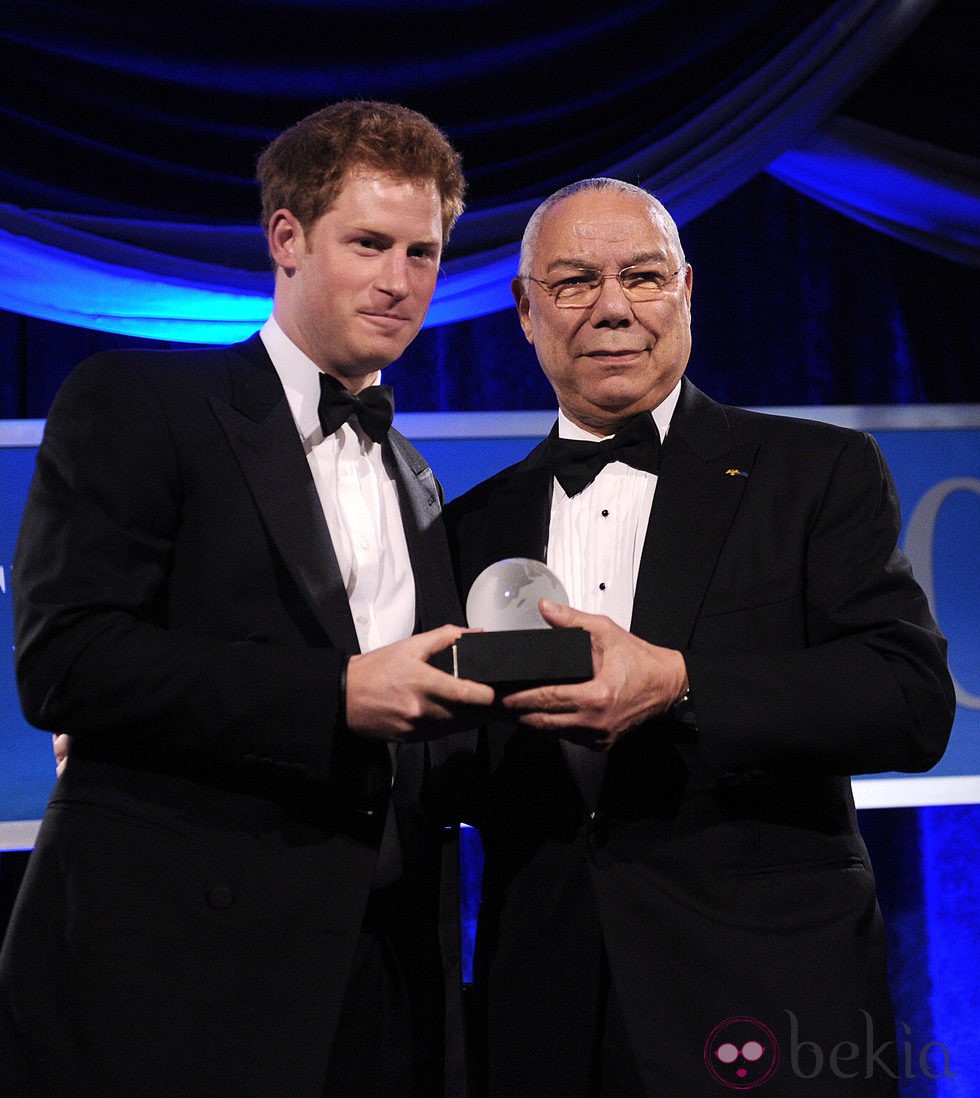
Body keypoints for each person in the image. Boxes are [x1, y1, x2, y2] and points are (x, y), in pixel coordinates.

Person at [0, 100, 494, 1098]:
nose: (400, 282)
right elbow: (68, 660)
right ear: (286, 238)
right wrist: (334, 696)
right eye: (368, 243)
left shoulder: (414, 473)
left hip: (378, 978)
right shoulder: (138, 402)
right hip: (174, 979)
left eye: (423, 253)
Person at [444, 178, 955, 1097]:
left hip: (766, 999)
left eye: (641, 275)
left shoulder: (813, 472)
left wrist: (680, 683)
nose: (611, 308)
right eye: (571, 282)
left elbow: (908, 701)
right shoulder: (470, 529)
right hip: (550, 1016)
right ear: (524, 310)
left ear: (686, 289)